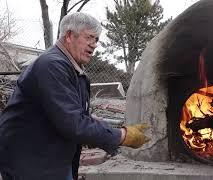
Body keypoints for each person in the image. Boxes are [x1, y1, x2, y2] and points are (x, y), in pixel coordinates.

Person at [0, 12, 149, 180]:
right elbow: (73, 123)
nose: (94, 45)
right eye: (89, 37)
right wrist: (122, 136)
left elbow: (74, 115)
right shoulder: (52, 66)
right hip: (31, 161)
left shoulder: (72, 69)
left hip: (50, 156)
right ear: (69, 36)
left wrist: (98, 126)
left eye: (96, 40)